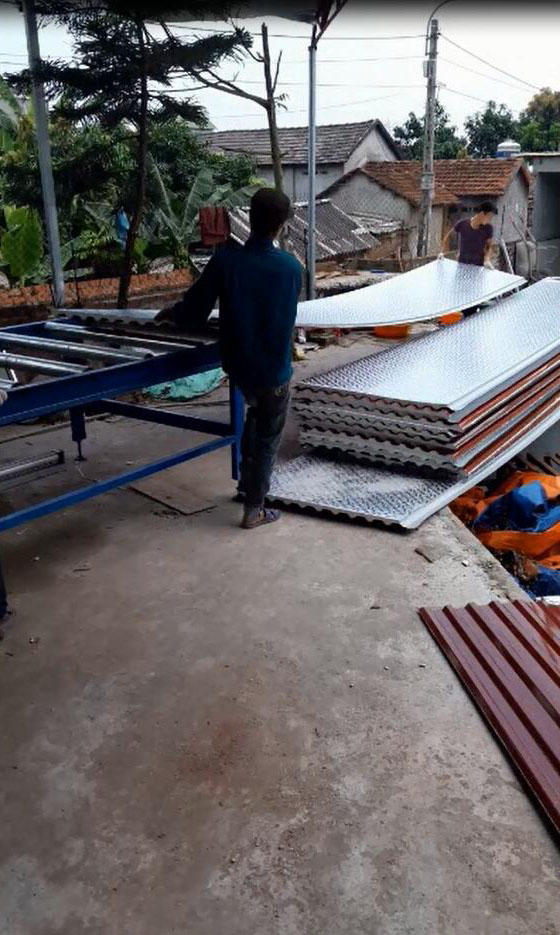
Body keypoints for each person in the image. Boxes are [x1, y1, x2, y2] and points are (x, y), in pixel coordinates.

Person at [155, 188, 302, 530]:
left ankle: (246, 486)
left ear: (248, 217)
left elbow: (194, 311)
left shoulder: (226, 261)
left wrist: (171, 313)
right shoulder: (292, 268)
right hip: (275, 371)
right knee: (267, 437)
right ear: (281, 225)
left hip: (239, 368)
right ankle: (254, 509)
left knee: (254, 418)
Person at [440, 201, 498, 268]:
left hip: (478, 265)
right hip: (462, 263)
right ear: (482, 214)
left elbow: (488, 245)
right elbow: (448, 236)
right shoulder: (462, 224)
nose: (490, 220)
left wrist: (487, 259)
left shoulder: (488, 228)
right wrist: (442, 252)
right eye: (489, 217)